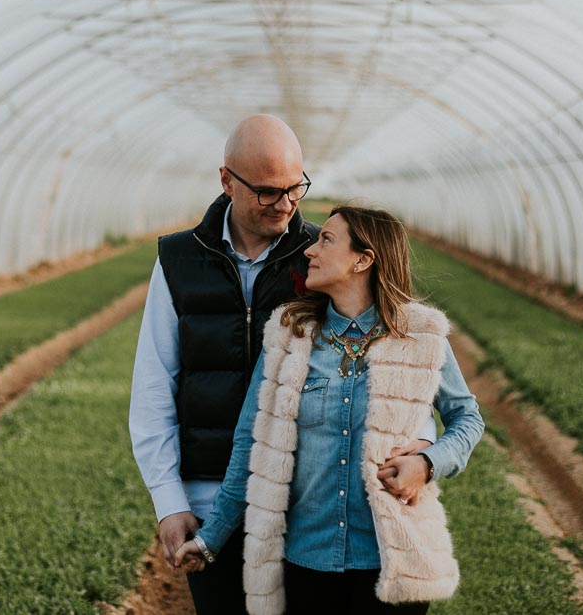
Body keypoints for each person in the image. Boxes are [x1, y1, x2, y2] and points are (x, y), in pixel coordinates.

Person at [129, 118, 437, 615]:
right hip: (211, 497)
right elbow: (153, 385)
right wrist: (170, 500)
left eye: (296, 188)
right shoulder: (178, 260)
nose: (286, 204)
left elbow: (391, 352)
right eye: (269, 192)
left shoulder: (323, 257)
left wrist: (419, 447)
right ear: (227, 181)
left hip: (304, 501)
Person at [175, 206, 486, 615]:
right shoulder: (290, 336)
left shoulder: (421, 337)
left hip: (394, 562)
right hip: (307, 562)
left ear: (363, 260)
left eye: (327, 240)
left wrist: (428, 463)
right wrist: (210, 538)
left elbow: (468, 418)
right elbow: (250, 442)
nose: (309, 250)